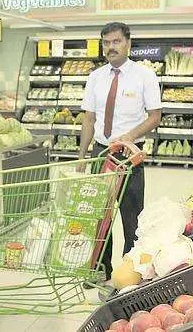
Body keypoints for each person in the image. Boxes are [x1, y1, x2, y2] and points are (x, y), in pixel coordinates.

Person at [79, 22, 162, 282]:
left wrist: (130, 136)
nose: (111, 47)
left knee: (131, 217)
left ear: (128, 43)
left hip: (129, 153)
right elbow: (89, 119)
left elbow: (155, 116)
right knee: (98, 216)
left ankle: (129, 273)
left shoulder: (145, 76)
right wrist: (82, 156)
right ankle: (100, 270)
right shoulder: (95, 77)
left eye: (116, 41)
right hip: (101, 153)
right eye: (106, 43)